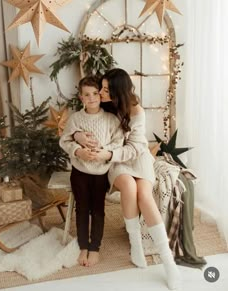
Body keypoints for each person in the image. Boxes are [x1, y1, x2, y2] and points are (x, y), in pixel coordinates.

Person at [73, 68, 180, 289]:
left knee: (144, 194)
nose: (100, 93)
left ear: (118, 91)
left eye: (104, 89)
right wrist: (78, 136)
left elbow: (137, 147)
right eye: (100, 88)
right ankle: (136, 245)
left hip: (136, 157)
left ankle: (168, 262)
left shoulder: (136, 111)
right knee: (129, 187)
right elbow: (81, 120)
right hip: (116, 161)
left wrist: (109, 154)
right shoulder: (102, 105)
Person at [59, 76, 123, 267]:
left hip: (101, 172)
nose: (92, 98)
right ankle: (83, 246)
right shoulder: (76, 119)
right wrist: (78, 151)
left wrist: (102, 151)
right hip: (80, 171)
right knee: (82, 208)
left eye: (95, 93)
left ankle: (94, 247)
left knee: (97, 210)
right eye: (87, 95)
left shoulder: (110, 119)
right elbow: (65, 140)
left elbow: (118, 141)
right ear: (81, 98)